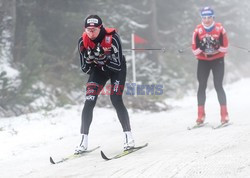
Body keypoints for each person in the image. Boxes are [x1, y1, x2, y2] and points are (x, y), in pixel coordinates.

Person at [75, 15, 135, 154]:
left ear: (100, 28)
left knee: (115, 99)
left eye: (94, 30)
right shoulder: (82, 42)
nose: (91, 33)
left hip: (116, 71)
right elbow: (85, 68)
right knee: (89, 101)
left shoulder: (112, 38)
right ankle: (83, 141)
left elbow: (119, 65)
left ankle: (129, 137)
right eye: (88, 30)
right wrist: (90, 60)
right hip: (98, 71)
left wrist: (104, 58)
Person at [192, 7, 229, 125]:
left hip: (217, 60)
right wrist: (202, 47)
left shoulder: (220, 29)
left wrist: (217, 46)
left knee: (218, 85)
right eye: (204, 18)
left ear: (213, 17)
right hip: (203, 61)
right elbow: (194, 51)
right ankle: (200, 115)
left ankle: (224, 115)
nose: (206, 20)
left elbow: (225, 48)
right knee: (202, 86)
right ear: (201, 18)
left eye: (209, 17)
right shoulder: (198, 30)